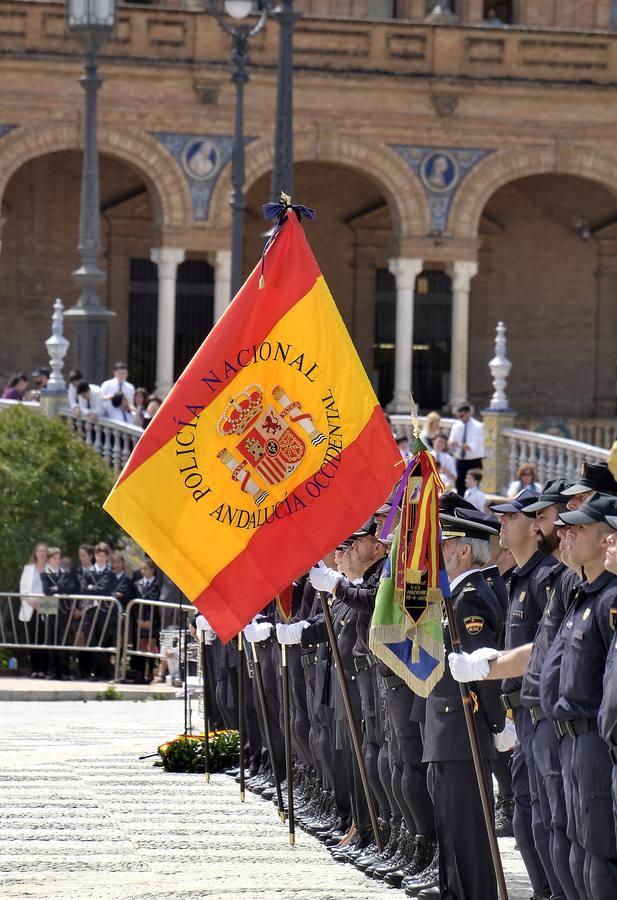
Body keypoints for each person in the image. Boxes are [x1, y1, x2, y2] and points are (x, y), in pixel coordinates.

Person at [420, 513, 507, 900]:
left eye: (445, 546)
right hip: (448, 729)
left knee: (467, 831)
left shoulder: (470, 598)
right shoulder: (456, 594)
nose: (438, 553)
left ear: (465, 551)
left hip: (462, 728)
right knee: (452, 826)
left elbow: (482, 671)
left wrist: (498, 724)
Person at [19, 542, 48, 677]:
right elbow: (23, 588)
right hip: (30, 607)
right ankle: (34, 669)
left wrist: (41, 603)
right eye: (39, 551)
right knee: (32, 638)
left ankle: (43, 669)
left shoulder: (50, 569)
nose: (42, 553)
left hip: (46, 607)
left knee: (44, 638)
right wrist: (30, 602)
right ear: (35, 553)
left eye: (44, 551)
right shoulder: (28, 569)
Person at [448, 404, 484, 496]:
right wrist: (453, 444)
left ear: (468, 413)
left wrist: (458, 444)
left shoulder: (477, 426)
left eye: (462, 415)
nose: (460, 418)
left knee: (473, 487)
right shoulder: (457, 425)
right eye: (459, 416)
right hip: (460, 460)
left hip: (473, 461)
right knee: (459, 486)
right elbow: (451, 441)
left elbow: (472, 447)